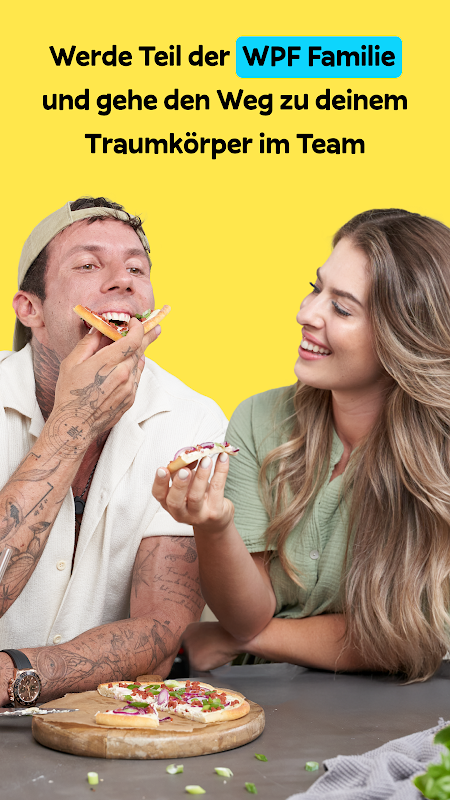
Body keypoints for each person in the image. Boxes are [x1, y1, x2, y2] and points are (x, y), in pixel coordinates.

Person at [153, 208, 450, 684]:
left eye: (342, 309)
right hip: (260, 700)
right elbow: (246, 614)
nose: (306, 314)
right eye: (316, 288)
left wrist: (244, 640)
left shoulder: (440, 460)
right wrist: (214, 526)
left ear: (404, 336)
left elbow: (406, 638)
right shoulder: (259, 420)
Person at [0, 197, 227, 706]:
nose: (122, 281)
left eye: (136, 269)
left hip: (107, 720)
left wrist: (20, 674)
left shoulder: (192, 419)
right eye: (88, 265)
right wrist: (74, 423)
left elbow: (161, 630)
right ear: (30, 308)